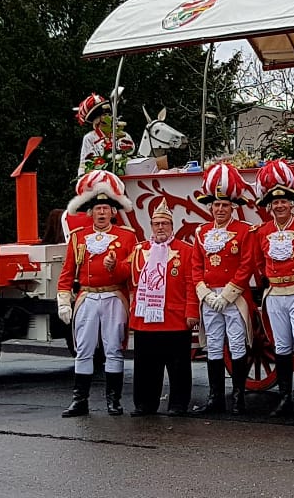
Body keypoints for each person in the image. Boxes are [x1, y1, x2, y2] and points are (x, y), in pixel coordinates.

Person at [58, 171, 138, 418]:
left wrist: (117, 268)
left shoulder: (127, 236)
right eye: (97, 209)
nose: (101, 213)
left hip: (114, 297)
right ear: (89, 212)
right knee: (84, 349)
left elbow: (133, 272)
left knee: (114, 348)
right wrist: (63, 300)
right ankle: (79, 400)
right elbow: (67, 271)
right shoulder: (78, 238)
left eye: (106, 208)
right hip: (87, 297)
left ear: (114, 212)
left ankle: (113, 401)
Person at [251, 160, 294, 418]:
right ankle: (286, 398)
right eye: (275, 203)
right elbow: (259, 262)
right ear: (270, 206)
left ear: (292, 203)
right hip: (276, 294)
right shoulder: (263, 231)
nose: (280, 206)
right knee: (281, 347)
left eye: (284, 202)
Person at [189, 163, 257, 415]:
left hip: (234, 298)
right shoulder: (201, 232)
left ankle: (238, 397)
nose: (219, 209)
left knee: (237, 345)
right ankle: (215, 397)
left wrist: (228, 294)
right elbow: (196, 264)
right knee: (214, 346)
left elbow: (247, 264)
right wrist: (204, 293)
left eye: (225, 205)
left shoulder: (244, 231)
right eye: (216, 205)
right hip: (209, 298)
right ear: (210, 207)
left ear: (233, 207)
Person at [125, 199, 200, 416]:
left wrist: (192, 312)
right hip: (146, 320)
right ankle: (144, 404)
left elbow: (191, 284)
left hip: (175, 319)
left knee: (178, 367)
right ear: (151, 226)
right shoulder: (140, 250)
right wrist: (112, 265)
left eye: (164, 224)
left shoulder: (185, 250)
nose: (160, 228)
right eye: (156, 224)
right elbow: (125, 272)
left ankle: (178, 404)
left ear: (171, 227)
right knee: (145, 367)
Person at [74, 91, 135, 176]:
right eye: (104, 115)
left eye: (109, 114)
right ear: (97, 120)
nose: (108, 117)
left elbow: (131, 156)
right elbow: (84, 165)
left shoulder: (124, 136)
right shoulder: (89, 138)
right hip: (99, 180)